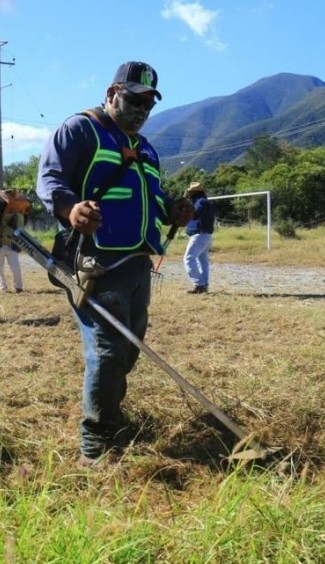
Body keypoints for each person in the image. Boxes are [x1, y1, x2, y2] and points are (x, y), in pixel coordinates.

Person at [37, 60, 194, 465]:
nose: (141, 110)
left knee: (129, 347)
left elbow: (152, 197)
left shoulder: (146, 148)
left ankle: (110, 414)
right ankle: (95, 443)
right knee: (108, 349)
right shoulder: (80, 129)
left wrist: (171, 211)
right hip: (96, 260)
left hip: (138, 263)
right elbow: (50, 180)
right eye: (133, 99)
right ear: (111, 94)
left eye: (148, 103)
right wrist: (72, 210)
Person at [182, 181, 215, 294]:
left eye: (190, 192)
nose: (189, 194)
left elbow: (195, 214)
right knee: (203, 261)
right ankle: (204, 285)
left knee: (188, 259)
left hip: (200, 235)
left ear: (194, 193)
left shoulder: (200, 203)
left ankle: (199, 285)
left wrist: (184, 211)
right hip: (206, 235)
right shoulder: (204, 201)